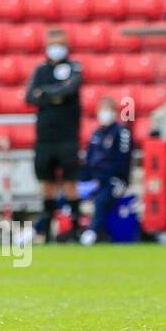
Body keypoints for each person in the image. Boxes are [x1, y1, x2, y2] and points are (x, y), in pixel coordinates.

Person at [25, 27, 83, 243]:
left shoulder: (74, 68)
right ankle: (46, 230)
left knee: (70, 184)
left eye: (59, 44)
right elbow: (29, 96)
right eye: (52, 44)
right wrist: (54, 94)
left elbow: (69, 90)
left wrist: (46, 93)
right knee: (47, 184)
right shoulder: (39, 71)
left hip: (67, 137)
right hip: (45, 138)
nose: (56, 48)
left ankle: (75, 229)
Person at [77, 96, 133, 245]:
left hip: (115, 180)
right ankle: (74, 230)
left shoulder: (121, 132)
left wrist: (105, 178)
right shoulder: (96, 134)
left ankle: (92, 232)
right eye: (102, 110)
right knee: (67, 197)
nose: (104, 114)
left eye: (108, 110)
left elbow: (123, 161)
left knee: (102, 201)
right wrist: (84, 178)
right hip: (95, 180)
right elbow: (88, 160)